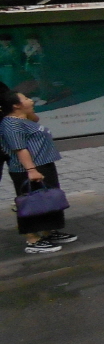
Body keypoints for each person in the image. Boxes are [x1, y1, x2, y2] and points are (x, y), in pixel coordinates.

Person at [0, 91, 76, 254]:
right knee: (31, 203)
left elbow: (36, 120)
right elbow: (20, 149)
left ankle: (49, 232)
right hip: (28, 169)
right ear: (16, 105)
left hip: (43, 164)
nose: (31, 100)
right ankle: (33, 240)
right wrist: (31, 170)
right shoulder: (11, 124)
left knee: (48, 200)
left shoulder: (23, 119)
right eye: (26, 99)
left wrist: (28, 111)